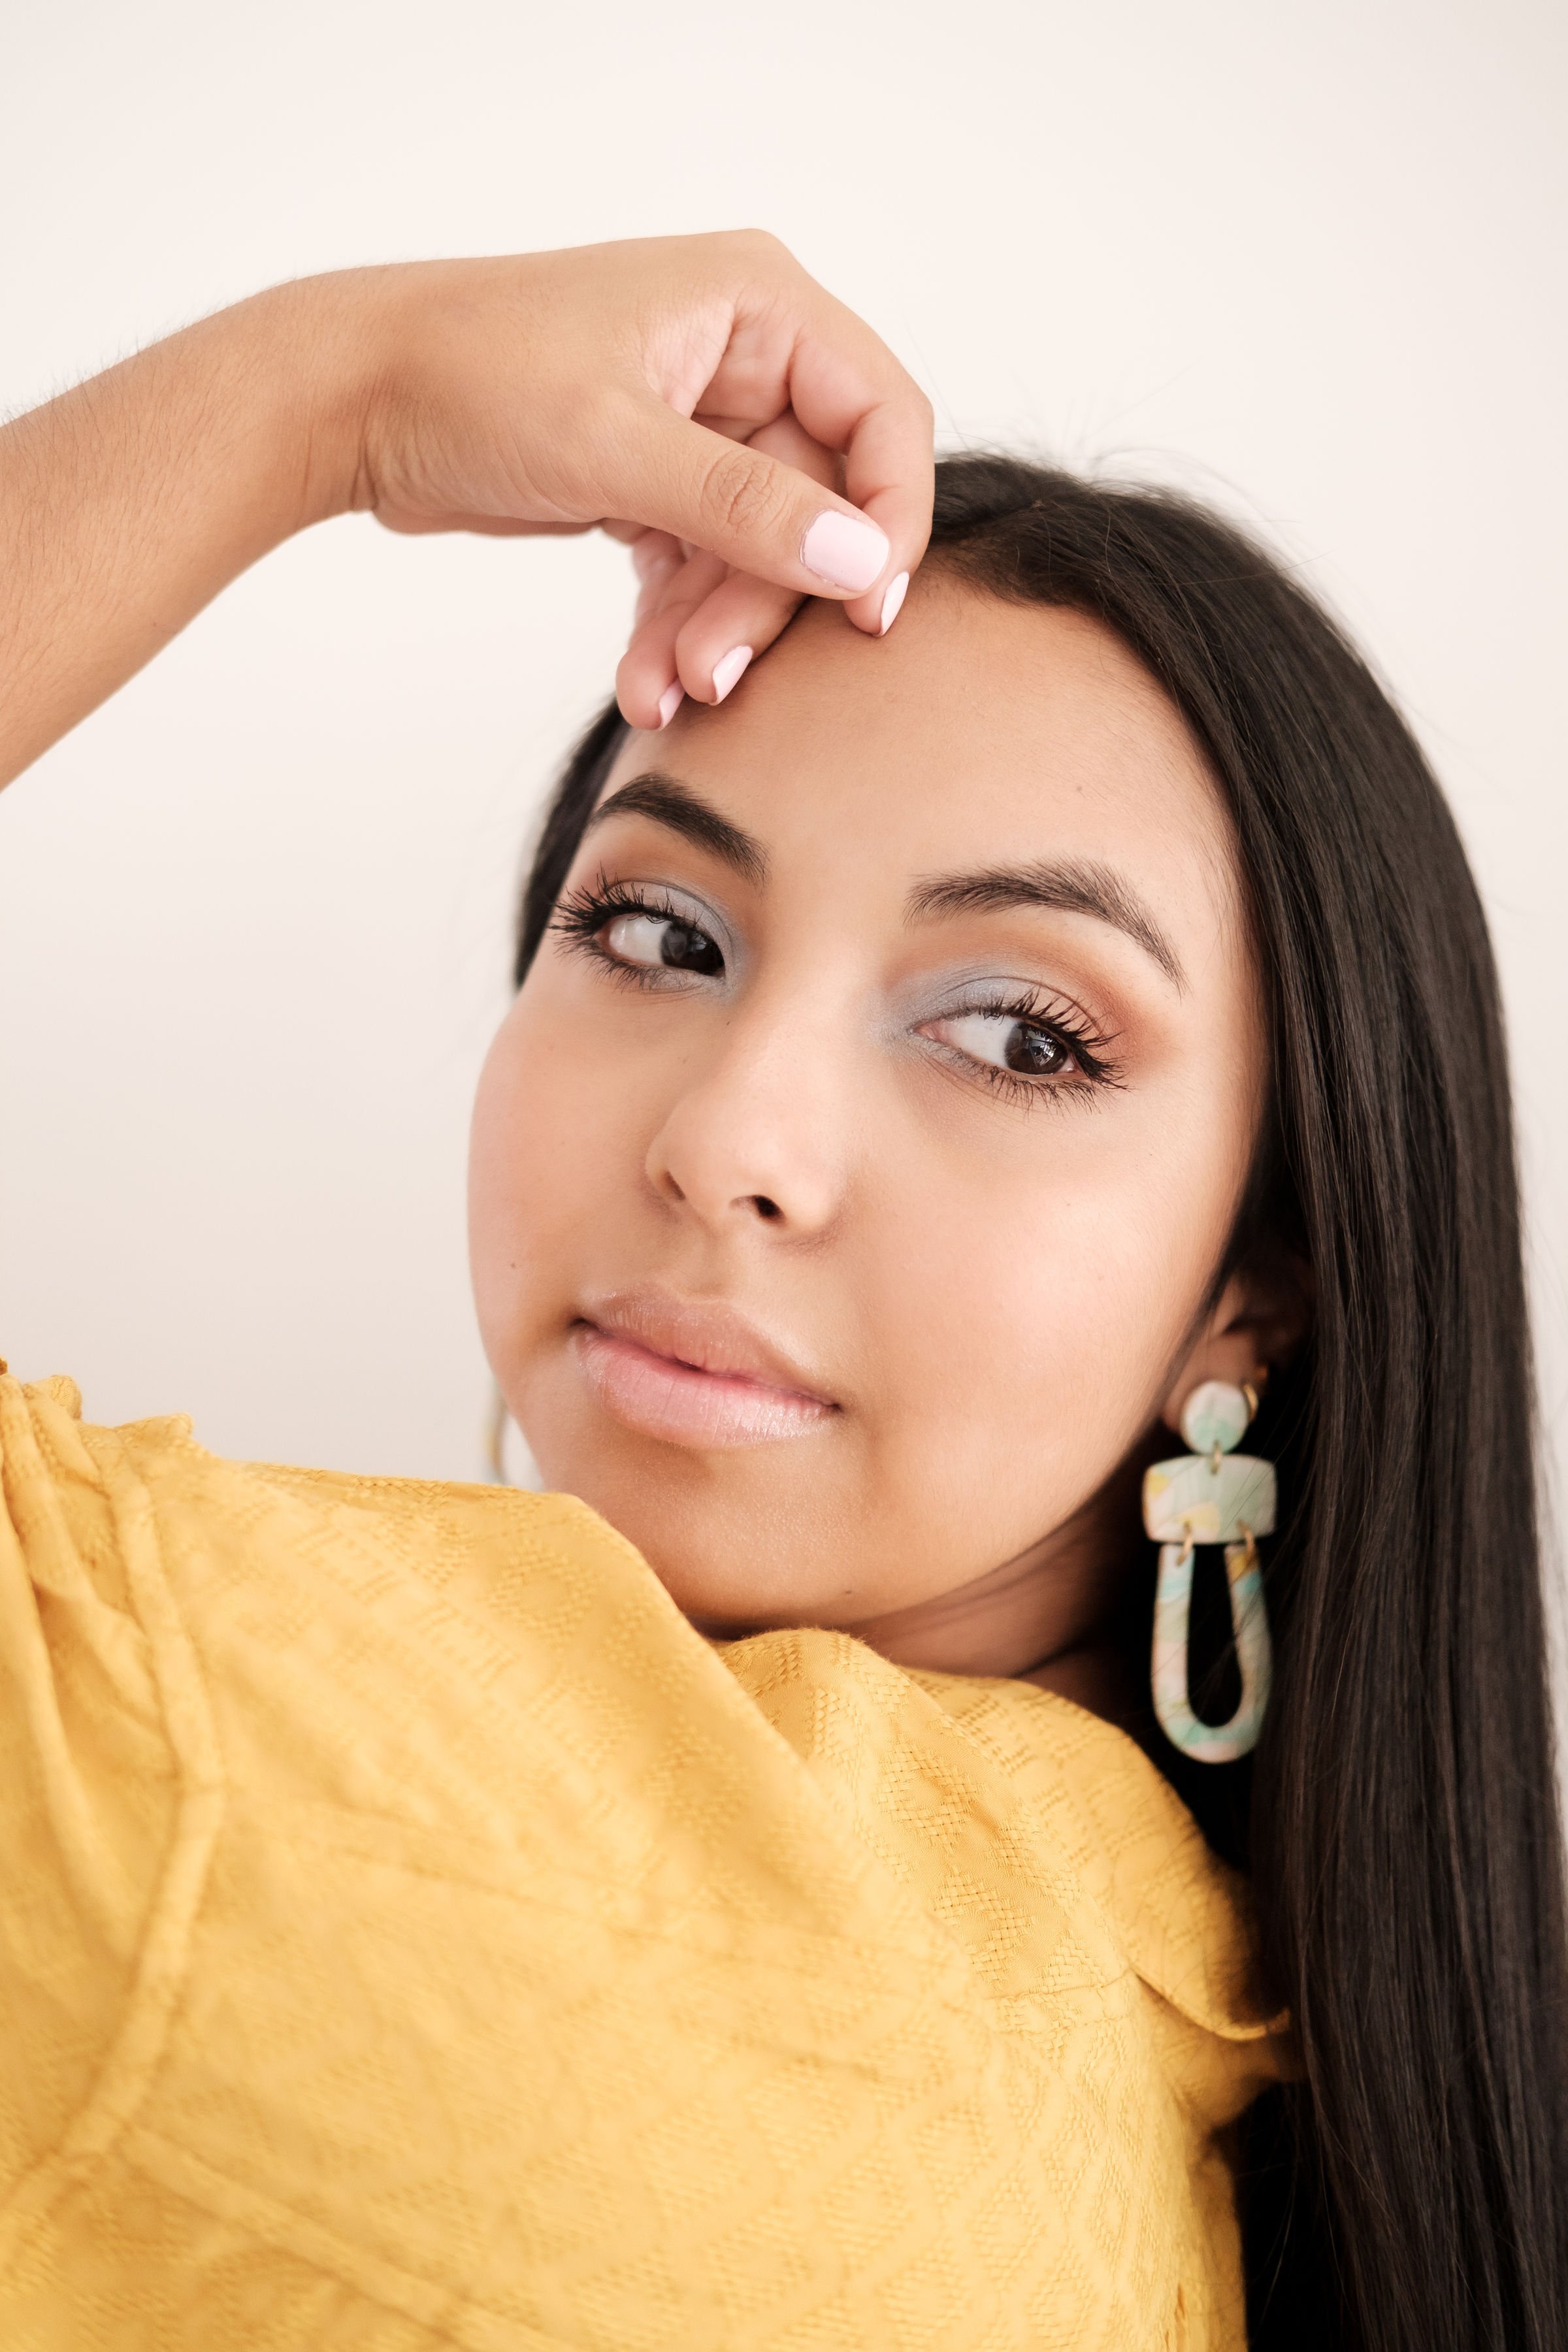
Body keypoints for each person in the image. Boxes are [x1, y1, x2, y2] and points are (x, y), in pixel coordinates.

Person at [0, 235, 1563, 2352]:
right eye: (657, 932)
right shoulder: (1156, 2000)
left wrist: (332, 397)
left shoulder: (290, 1817)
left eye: (1022, 1036)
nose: (734, 1136)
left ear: (1250, 1300)